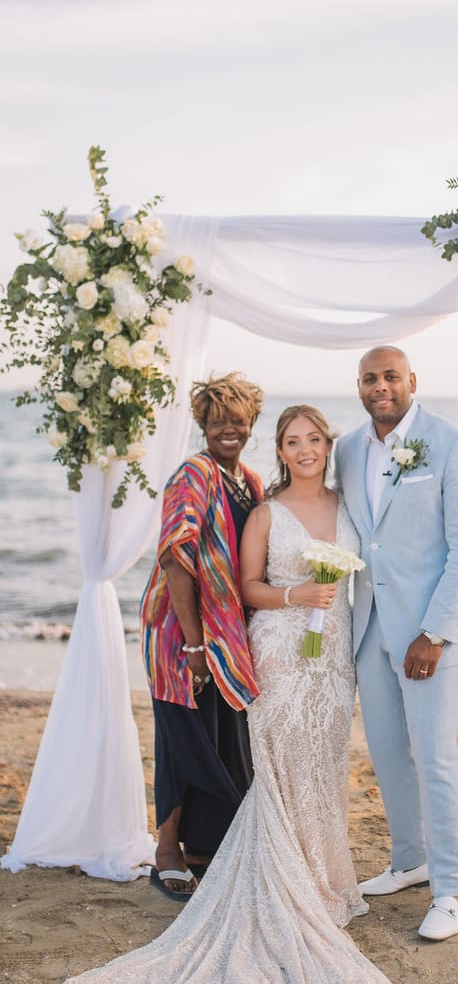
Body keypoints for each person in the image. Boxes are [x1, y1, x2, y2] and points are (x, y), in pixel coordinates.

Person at [45, 404, 394, 984]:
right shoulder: (234, 492)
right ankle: (185, 851)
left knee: (318, 765)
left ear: (328, 444)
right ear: (279, 445)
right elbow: (226, 574)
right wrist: (220, 634)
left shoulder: (273, 487)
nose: (304, 449)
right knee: (251, 756)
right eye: (292, 441)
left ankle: (322, 875)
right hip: (245, 643)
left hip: (332, 654)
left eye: (314, 439)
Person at [336, 346, 458, 942]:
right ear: (359, 386)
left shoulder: (453, 444)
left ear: (412, 382)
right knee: (387, 753)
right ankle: (409, 860)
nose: (382, 387)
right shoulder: (349, 449)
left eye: (391, 377)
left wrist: (436, 632)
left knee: (434, 757)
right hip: (371, 626)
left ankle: (450, 888)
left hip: (430, 634)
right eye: (371, 378)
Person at [141, 372, 264, 899]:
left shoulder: (251, 481)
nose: (228, 430)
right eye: (217, 422)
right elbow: (175, 557)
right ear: (203, 425)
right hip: (178, 634)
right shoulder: (195, 473)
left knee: (219, 737)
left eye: (237, 421)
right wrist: (194, 645)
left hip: (225, 639)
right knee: (182, 739)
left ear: (251, 424)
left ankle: (201, 849)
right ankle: (166, 853)